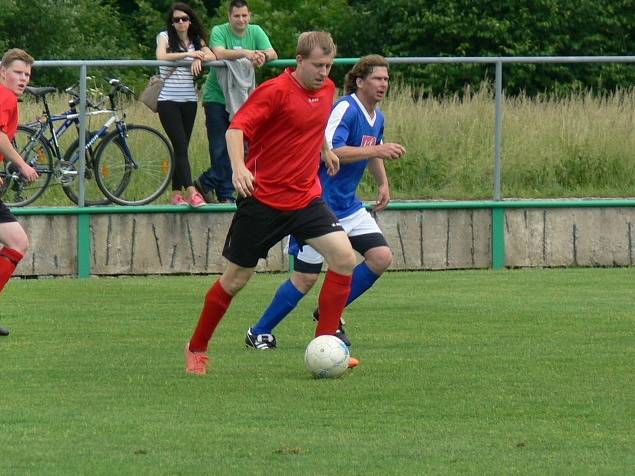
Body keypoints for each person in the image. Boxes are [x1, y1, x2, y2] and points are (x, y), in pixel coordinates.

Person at [185, 31, 359, 375]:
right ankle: (197, 347)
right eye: (317, 65)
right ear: (299, 61)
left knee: (343, 258)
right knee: (235, 280)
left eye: (328, 65)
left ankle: (325, 344)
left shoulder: (326, 90)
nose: (324, 72)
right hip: (262, 200)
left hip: (306, 198)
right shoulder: (275, 91)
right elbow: (235, 130)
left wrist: (324, 149)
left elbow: (315, 122)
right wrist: (238, 169)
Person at [245, 55, 406, 350]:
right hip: (317, 205)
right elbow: (331, 151)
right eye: (377, 78)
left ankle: (330, 313)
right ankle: (259, 331)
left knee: (381, 257)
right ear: (359, 81)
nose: (383, 84)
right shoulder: (345, 108)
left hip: (349, 206)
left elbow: (371, 152)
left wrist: (383, 182)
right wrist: (380, 149)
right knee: (305, 277)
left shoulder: (377, 117)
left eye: (386, 79)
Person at [193, 0, 277, 204]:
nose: (241, 20)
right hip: (217, 97)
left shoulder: (255, 31)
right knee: (220, 148)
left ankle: (208, 183)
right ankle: (223, 192)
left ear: (250, 16)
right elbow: (219, 52)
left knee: (240, 146)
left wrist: (262, 56)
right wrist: (246, 53)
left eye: (244, 16)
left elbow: (273, 53)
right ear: (229, 17)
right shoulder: (219, 31)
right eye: (237, 16)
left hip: (243, 100)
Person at [156, 2, 214, 207]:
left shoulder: (196, 40)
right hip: (168, 101)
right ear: (171, 23)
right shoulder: (164, 37)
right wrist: (188, 55)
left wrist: (200, 56)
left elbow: (212, 55)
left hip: (189, 100)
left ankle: (175, 194)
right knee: (180, 146)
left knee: (181, 147)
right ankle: (191, 192)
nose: (180, 23)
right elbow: (161, 56)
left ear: (190, 21)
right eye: (176, 20)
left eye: (184, 19)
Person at [0, 49, 39, 337]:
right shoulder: (5, 96)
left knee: (16, 241)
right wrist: (22, 164)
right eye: (17, 72)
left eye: (27, 74)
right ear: (3, 71)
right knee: (17, 241)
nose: (23, 78)